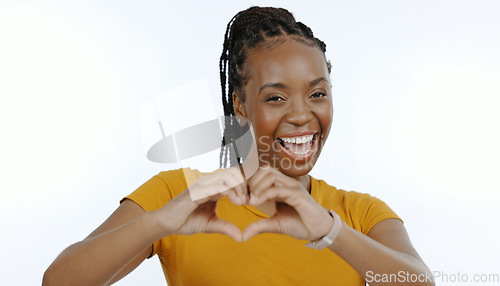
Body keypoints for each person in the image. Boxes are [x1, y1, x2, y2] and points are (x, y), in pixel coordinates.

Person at [43, 6, 434, 286]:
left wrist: (328, 230)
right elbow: (57, 282)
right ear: (240, 106)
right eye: (276, 98)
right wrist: (159, 223)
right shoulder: (179, 195)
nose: (301, 115)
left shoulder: (359, 213)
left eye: (317, 94)